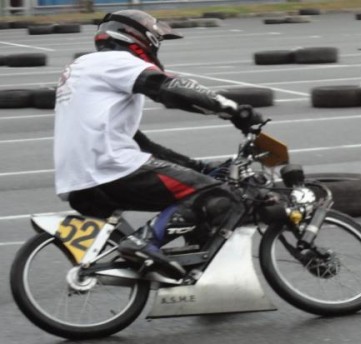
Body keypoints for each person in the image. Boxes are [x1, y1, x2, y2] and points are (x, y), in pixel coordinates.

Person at [54, 10, 263, 280]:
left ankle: (194, 277)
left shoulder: (87, 68)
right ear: (139, 37)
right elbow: (172, 89)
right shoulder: (116, 61)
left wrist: (195, 166)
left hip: (79, 177)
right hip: (111, 167)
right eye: (157, 40)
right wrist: (234, 110)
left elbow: (139, 143)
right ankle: (144, 243)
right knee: (212, 194)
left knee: (195, 189)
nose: (157, 47)